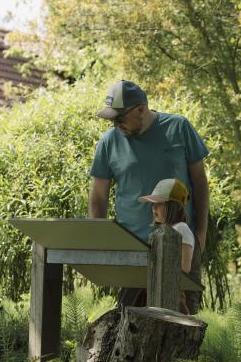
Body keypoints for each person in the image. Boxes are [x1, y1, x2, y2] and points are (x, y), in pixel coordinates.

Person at [88, 80, 209, 312]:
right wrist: (100, 243)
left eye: (120, 117)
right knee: (130, 323)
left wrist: (201, 232)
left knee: (182, 324)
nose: (116, 124)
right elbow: (98, 198)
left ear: (141, 109)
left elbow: (200, 183)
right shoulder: (108, 142)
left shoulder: (179, 128)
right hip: (132, 249)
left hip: (181, 245)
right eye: (112, 119)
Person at [138, 178, 194, 315]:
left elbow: (185, 267)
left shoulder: (181, 229)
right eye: (153, 204)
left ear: (174, 206)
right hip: (158, 293)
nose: (153, 208)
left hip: (172, 298)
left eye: (159, 204)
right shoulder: (162, 231)